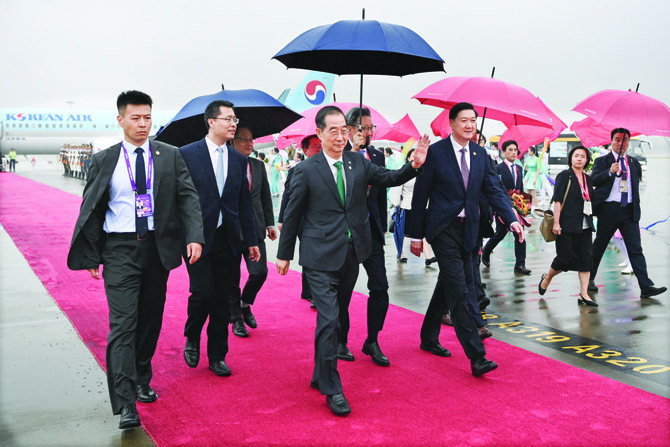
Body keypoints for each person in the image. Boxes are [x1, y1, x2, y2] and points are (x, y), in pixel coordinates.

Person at [276, 106, 428, 416]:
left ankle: (320, 374)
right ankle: (332, 388)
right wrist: (283, 253)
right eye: (332, 130)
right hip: (318, 256)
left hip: (352, 252)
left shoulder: (357, 162)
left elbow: (390, 177)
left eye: (344, 130)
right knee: (330, 317)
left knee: (334, 314)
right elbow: (291, 214)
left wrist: (413, 165)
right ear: (319, 133)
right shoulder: (305, 170)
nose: (339, 136)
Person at [66, 90, 204, 429]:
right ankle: (126, 402)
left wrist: (195, 235)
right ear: (121, 120)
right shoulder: (105, 160)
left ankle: (142, 376)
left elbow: (187, 197)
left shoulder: (169, 156)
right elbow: (93, 208)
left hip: (158, 249)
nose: (142, 124)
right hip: (119, 250)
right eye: (135, 118)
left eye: (147, 117)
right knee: (123, 324)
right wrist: (92, 253)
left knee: (149, 319)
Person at [408, 102, 525, 378]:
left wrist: (511, 218)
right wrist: (415, 236)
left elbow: (494, 190)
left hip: (470, 228)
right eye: (464, 120)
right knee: (459, 289)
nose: (470, 125)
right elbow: (420, 195)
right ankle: (477, 355)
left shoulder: (481, 154)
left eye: (473, 120)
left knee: (447, 285)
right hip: (443, 229)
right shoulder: (435, 153)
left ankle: (427, 336)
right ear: (451, 123)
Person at [179, 100, 260, 378]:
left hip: (229, 239)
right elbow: (179, 200)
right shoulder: (187, 154)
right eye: (227, 119)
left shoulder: (238, 159)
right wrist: (187, 235)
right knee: (203, 293)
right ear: (211, 121)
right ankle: (192, 336)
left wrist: (251, 241)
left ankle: (217, 355)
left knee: (225, 297)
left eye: (235, 119)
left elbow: (244, 203)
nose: (233, 124)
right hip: (197, 239)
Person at [339, 106, 392, 367]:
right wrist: (353, 152)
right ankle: (340, 340)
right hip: (347, 233)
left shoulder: (377, 155)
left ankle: (372, 339)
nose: (369, 132)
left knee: (380, 286)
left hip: (371, 231)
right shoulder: (339, 152)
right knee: (344, 290)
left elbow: (381, 191)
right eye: (365, 128)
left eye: (372, 128)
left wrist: (381, 224)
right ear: (350, 130)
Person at [588, 128, 666, 299]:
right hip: (608, 210)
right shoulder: (603, 161)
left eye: (624, 140)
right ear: (611, 141)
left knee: (635, 249)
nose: (620, 143)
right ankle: (589, 280)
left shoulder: (634, 162)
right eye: (617, 140)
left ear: (629, 142)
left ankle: (645, 286)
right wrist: (609, 172)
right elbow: (593, 180)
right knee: (599, 246)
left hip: (629, 211)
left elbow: (635, 187)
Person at [229, 126, 277, 337]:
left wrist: (269, 224)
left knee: (260, 272)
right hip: (229, 230)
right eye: (244, 139)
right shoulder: (225, 164)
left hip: (255, 229)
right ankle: (235, 318)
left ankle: (245, 304)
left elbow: (265, 197)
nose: (250, 143)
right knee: (231, 279)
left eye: (252, 139)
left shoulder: (257, 166)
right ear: (232, 141)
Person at [538, 146, 597, 306]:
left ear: (586, 160)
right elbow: (558, 200)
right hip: (566, 224)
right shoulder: (565, 175)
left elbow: (590, 201)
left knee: (586, 259)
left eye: (582, 156)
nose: (579, 159)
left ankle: (583, 294)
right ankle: (548, 277)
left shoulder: (588, 178)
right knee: (564, 258)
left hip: (585, 225)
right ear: (571, 158)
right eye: (576, 155)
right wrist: (556, 222)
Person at [278, 134, 322, 309]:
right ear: (305, 150)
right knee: (310, 256)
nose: (319, 149)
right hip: (303, 220)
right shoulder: (297, 169)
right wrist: (282, 219)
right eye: (315, 146)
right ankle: (311, 293)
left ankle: (314, 292)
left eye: (321, 145)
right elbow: (287, 196)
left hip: (320, 221)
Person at [481, 140, 531, 275]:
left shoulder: (519, 168)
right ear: (503, 152)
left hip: (517, 207)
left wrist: (524, 207)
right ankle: (486, 251)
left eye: (515, 150)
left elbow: (520, 188)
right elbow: (495, 189)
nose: (514, 152)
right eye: (510, 150)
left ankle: (520, 264)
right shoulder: (497, 169)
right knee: (500, 233)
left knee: (520, 234)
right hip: (503, 206)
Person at [388, 148, 436, 264]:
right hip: (406, 206)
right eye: (413, 156)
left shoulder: (425, 171)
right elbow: (397, 188)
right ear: (408, 158)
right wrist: (395, 205)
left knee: (423, 231)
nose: (416, 158)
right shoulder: (404, 171)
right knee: (401, 231)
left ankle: (428, 256)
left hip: (422, 208)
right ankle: (401, 253)